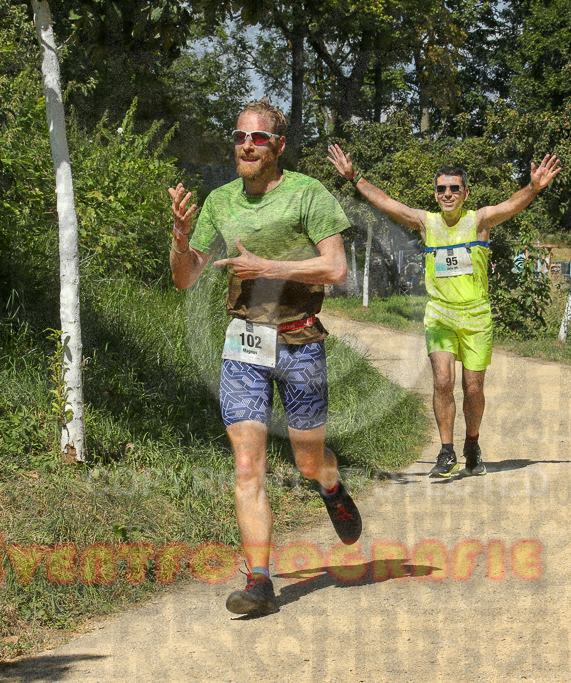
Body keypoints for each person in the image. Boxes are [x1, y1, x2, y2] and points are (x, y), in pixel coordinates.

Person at [168, 100, 361, 616]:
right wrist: (181, 240)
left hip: (298, 340)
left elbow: (336, 269)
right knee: (248, 463)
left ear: (278, 146)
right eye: (239, 138)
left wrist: (265, 266)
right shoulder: (221, 201)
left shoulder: (307, 194)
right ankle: (259, 581)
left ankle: (330, 485)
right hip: (244, 343)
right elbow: (186, 277)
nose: (246, 146)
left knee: (306, 459)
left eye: (257, 139)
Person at [327, 144, 561, 477]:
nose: (447, 194)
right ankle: (446, 451)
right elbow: (388, 203)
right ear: (435, 194)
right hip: (440, 314)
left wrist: (533, 188)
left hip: (476, 316)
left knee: (474, 388)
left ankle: (472, 443)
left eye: (454, 188)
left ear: (466, 192)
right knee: (441, 381)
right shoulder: (427, 223)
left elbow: (511, 205)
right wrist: (355, 178)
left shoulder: (479, 221)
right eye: (441, 189)